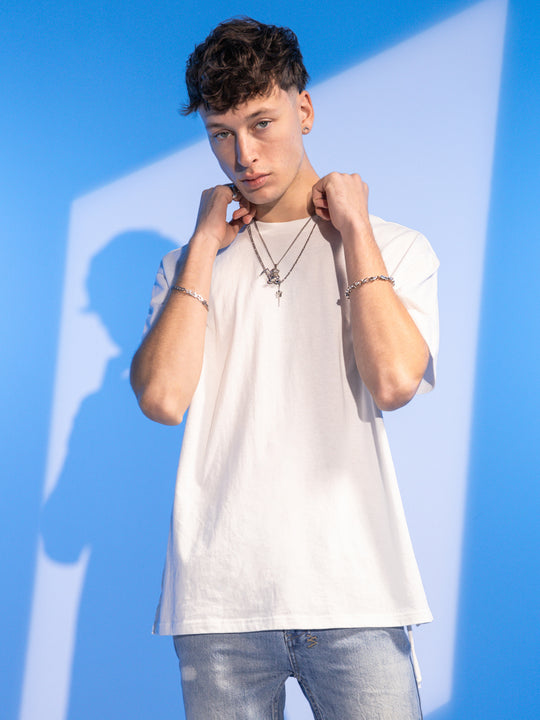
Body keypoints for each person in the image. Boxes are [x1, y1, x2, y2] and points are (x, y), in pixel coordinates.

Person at [130, 16, 439, 720]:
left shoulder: (394, 247)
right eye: (221, 133)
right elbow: (163, 399)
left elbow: (394, 382)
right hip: (220, 604)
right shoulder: (186, 267)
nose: (243, 155)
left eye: (261, 124)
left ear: (304, 109)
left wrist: (355, 231)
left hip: (357, 590)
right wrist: (202, 248)